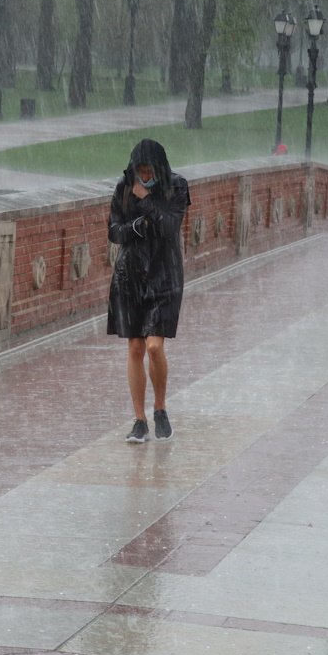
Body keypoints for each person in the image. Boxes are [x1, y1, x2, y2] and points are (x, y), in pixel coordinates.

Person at [107, 138, 192, 442]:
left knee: (155, 346)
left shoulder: (177, 187)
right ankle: (139, 419)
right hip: (130, 275)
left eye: (148, 170)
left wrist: (145, 199)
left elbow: (170, 226)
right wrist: (135, 228)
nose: (143, 176)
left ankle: (160, 408)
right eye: (139, 170)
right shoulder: (122, 187)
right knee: (134, 347)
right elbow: (114, 231)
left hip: (165, 274)